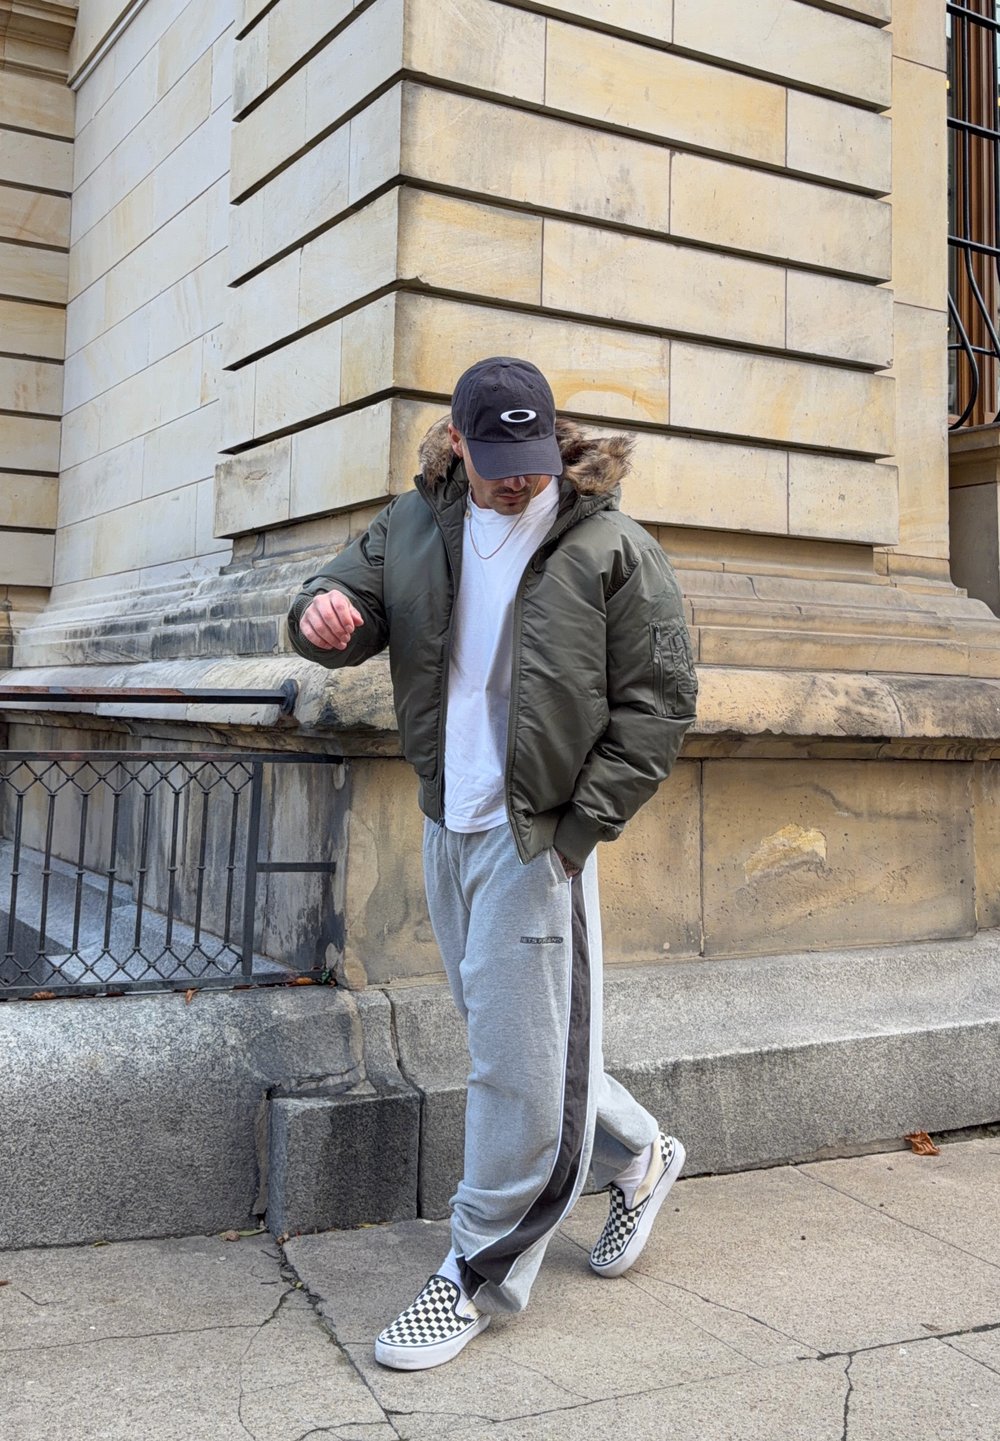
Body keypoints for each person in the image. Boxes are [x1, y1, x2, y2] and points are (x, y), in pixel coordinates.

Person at [287, 356, 698, 1371]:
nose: (517, 482)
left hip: (536, 834)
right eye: (495, 461)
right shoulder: (418, 521)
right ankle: (638, 1152)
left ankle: (478, 1267)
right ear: (458, 442)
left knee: (513, 1063)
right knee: (509, 1037)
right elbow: (343, 597)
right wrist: (319, 616)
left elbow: (660, 701)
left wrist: (576, 831)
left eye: (532, 459)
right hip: (448, 820)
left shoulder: (610, 545)